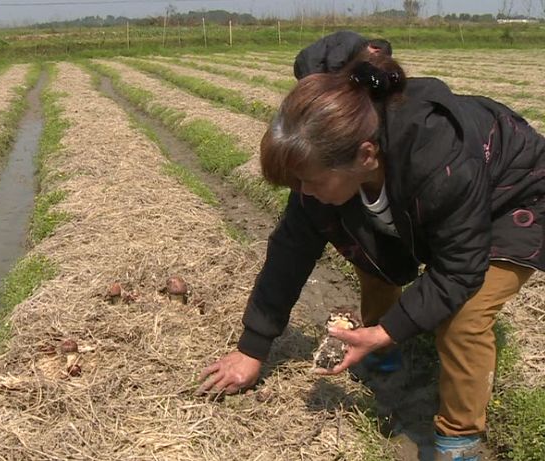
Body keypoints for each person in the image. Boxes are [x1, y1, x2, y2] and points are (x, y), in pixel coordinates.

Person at [197, 32, 544, 461]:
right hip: (425, 201)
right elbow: (291, 250)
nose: (304, 192)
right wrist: (252, 349)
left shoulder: (436, 153)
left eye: (311, 181)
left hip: (511, 199)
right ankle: (385, 362)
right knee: (370, 256)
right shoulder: (332, 154)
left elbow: (460, 269)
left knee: (463, 316)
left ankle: (458, 439)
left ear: (365, 155)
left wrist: (384, 330)